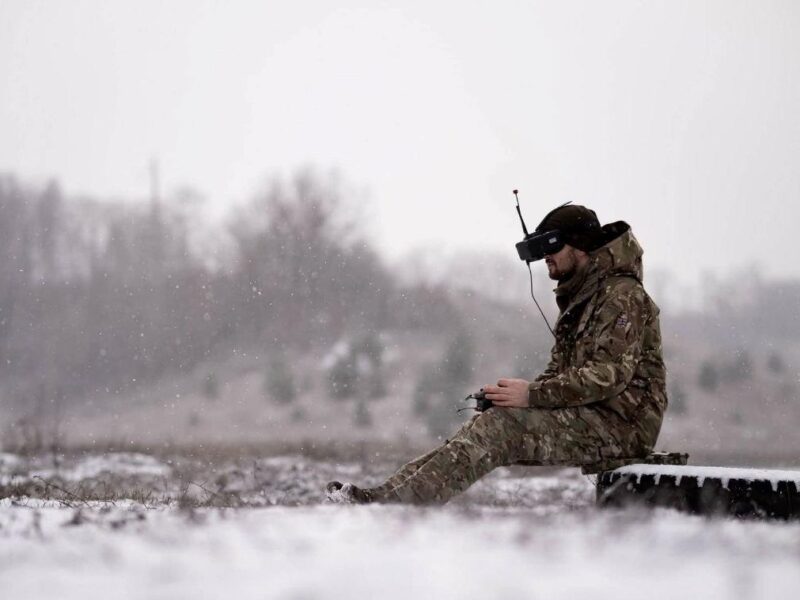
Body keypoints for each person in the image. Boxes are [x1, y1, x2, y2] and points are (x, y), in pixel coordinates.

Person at [326, 204, 668, 504]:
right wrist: (514, 398)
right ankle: (388, 496)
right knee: (491, 421)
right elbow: (560, 371)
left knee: (502, 428)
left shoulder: (621, 296)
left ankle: (397, 508)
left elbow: (608, 376)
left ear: (579, 247)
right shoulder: (586, 297)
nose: (545, 259)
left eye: (552, 247)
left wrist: (532, 395)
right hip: (594, 416)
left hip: (622, 426)